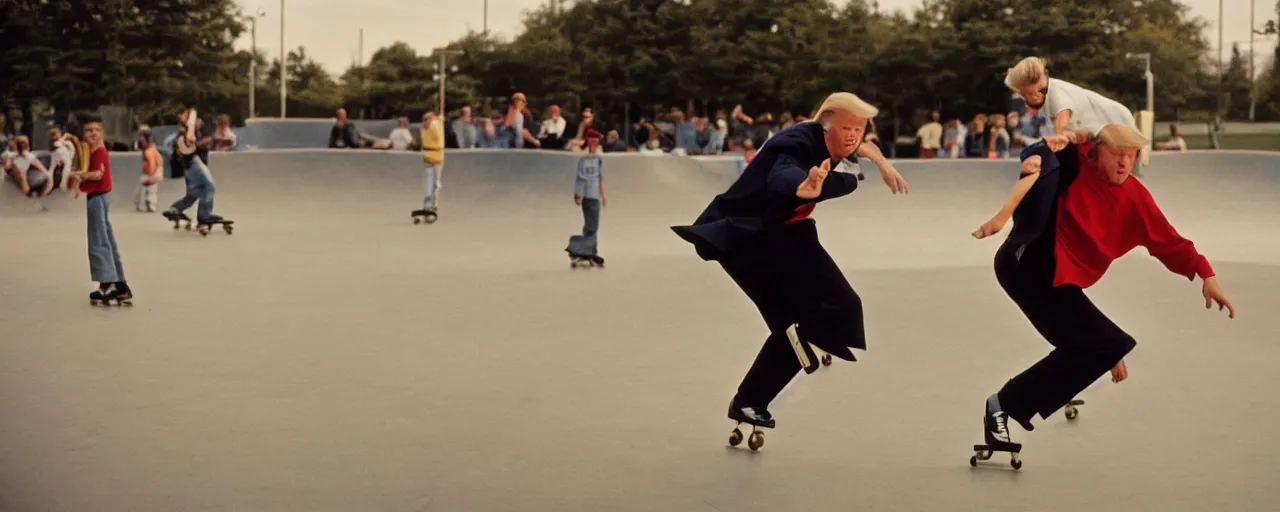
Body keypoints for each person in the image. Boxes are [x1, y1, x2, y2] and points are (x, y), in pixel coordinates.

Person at [970, 124, 1235, 461]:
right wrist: (1061, 143)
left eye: (1131, 156)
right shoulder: (1077, 163)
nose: (1125, 163)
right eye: (1117, 155)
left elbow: (1170, 241)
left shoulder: (1136, 198)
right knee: (1101, 343)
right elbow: (1040, 152)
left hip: (1058, 281)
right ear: (1098, 153)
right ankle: (1005, 404)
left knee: (1110, 344)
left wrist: (1204, 272)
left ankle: (1051, 386)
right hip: (1024, 264)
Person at [670, 92, 908, 445]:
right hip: (748, 241)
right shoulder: (797, 143)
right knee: (820, 317)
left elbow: (862, 147)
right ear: (825, 125)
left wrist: (882, 163)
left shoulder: (841, 140)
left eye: (858, 129)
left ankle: (751, 398)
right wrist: (803, 187)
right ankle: (803, 346)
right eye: (846, 128)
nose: (852, 136)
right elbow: (782, 173)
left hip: (782, 234)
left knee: (797, 328)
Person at [67, 119, 132, 304]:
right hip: (98, 197)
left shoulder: (100, 152)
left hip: (98, 198)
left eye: (96, 130)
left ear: (102, 134)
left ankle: (106, 284)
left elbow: (99, 174)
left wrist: (82, 176)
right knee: (107, 239)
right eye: (88, 130)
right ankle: (120, 285)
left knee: (98, 241)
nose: (93, 133)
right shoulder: (91, 152)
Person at [163, 107, 226, 226]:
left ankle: (175, 208)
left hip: (188, 167)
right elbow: (190, 134)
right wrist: (191, 115)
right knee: (209, 185)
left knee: (193, 193)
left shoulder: (180, 133)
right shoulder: (185, 132)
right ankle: (204, 215)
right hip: (193, 163)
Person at [566, 129, 607, 267]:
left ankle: (590, 251)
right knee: (591, 226)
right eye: (592, 141)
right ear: (588, 141)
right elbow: (580, 178)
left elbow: (600, 177)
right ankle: (576, 247)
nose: (595, 144)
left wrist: (603, 195)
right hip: (586, 195)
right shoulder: (582, 157)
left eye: (597, 142)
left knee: (593, 226)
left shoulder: (599, 157)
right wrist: (578, 195)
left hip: (595, 195)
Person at [413, 111, 444, 223]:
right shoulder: (427, 128)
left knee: (435, 183)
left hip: (437, 157)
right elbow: (434, 129)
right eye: (425, 119)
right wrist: (438, 120)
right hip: (428, 157)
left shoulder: (435, 125)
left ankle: (433, 206)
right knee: (428, 184)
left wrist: (439, 119)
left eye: (428, 119)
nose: (427, 121)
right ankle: (427, 206)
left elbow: (437, 133)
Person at [134, 127, 163, 211]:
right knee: (147, 189)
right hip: (151, 170)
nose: (140, 138)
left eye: (141, 136)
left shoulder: (149, 150)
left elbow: (152, 162)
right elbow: (137, 147)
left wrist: (151, 173)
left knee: (149, 189)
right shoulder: (147, 147)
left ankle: (149, 205)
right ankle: (147, 204)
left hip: (152, 171)